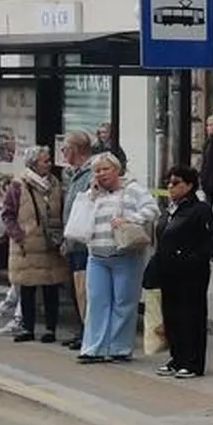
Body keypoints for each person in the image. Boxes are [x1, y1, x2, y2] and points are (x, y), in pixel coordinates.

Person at [74, 153, 157, 363]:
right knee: (97, 302)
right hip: (97, 255)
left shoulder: (133, 189)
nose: (101, 174)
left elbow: (152, 209)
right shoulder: (94, 194)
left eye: (105, 169)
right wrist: (90, 195)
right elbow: (81, 218)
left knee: (124, 302)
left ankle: (120, 348)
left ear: (117, 170)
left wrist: (129, 219)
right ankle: (94, 348)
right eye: (97, 171)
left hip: (126, 254)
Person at [148, 164, 213, 378]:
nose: (171, 187)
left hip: (192, 272)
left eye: (176, 183)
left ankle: (193, 362)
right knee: (171, 315)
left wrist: (194, 257)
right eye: (168, 183)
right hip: (169, 270)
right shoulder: (170, 209)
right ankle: (177, 357)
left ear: (189, 185)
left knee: (191, 315)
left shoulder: (200, 210)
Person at [4, 146, 70, 343]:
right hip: (28, 245)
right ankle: (28, 327)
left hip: (51, 244)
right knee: (28, 288)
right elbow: (7, 214)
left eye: (49, 160)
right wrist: (19, 236)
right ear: (33, 163)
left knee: (51, 287)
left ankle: (50, 329)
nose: (49, 164)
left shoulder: (56, 184)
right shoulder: (18, 185)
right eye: (45, 161)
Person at [58, 130, 96, 349]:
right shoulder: (75, 174)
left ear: (74, 149)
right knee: (76, 290)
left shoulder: (89, 174)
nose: (63, 153)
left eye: (64, 148)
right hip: (73, 241)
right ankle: (82, 329)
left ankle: (87, 331)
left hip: (83, 242)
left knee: (84, 291)